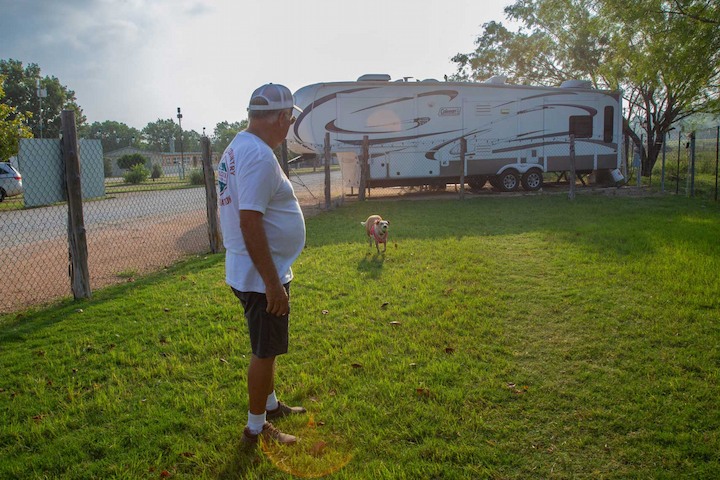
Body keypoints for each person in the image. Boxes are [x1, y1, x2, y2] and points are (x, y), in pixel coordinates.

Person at [217, 83, 306, 446]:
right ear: (283, 117)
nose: (289, 128)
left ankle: (269, 405)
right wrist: (272, 283)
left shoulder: (239, 147)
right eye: (290, 120)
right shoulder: (256, 154)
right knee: (264, 351)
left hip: (253, 269)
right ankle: (256, 429)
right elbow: (249, 221)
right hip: (259, 276)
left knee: (267, 348)